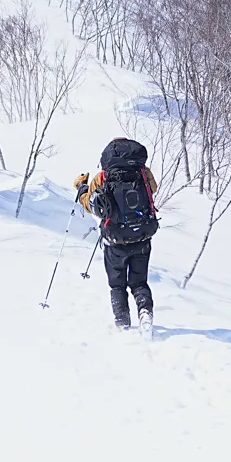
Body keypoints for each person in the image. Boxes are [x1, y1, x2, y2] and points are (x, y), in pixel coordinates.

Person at [75, 137, 160, 330]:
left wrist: (82, 188)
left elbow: (91, 205)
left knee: (117, 284)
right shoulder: (143, 172)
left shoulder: (103, 177)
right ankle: (145, 313)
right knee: (139, 282)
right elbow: (152, 190)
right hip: (142, 235)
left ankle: (122, 323)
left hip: (115, 239)